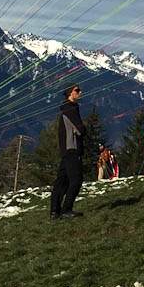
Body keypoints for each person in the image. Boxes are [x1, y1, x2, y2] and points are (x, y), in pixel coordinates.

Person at [51, 85, 86, 219]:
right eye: (77, 90)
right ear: (70, 93)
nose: (80, 92)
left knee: (62, 181)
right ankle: (66, 209)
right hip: (72, 148)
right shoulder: (70, 109)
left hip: (66, 150)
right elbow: (80, 129)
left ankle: (54, 211)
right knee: (76, 179)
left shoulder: (67, 109)